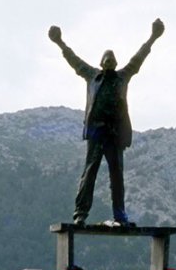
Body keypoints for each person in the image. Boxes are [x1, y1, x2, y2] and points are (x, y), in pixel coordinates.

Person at [48, 19, 165, 226]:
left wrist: (153, 37)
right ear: (101, 62)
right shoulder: (92, 76)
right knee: (89, 173)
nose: (109, 61)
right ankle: (80, 214)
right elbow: (74, 60)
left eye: (112, 59)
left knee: (117, 176)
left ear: (116, 63)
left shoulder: (123, 76)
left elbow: (138, 58)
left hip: (114, 134)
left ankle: (120, 216)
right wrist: (60, 42)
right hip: (96, 132)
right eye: (106, 59)